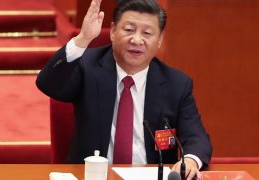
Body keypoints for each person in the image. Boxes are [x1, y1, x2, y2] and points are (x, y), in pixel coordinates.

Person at [36, 0, 212, 179]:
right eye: (128, 30)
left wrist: (190, 160)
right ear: (112, 31)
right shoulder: (87, 66)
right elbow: (47, 84)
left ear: (159, 40)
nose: (136, 40)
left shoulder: (176, 83)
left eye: (147, 33)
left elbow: (197, 138)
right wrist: (83, 39)